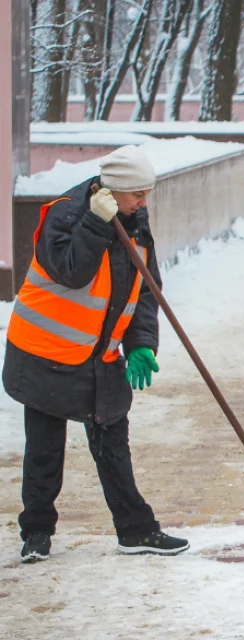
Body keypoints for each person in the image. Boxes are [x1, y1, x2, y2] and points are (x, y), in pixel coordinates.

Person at [5, 145, 189, 563]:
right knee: (45, 449)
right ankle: (36, 534)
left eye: (147, 193)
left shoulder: (135, 221)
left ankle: (136, 531)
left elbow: (146, 287)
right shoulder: (67, 215)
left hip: (98, 356)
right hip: (45, 353)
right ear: (114, 189)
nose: (144, 202)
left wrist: (141, 343)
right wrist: (96, 223)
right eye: (137, 194)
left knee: (113, 444)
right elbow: (72, 271)